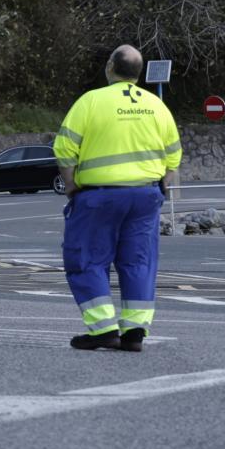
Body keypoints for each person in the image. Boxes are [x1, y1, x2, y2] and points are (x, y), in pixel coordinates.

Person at [52, 44, 182, 353]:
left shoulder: (91, 101)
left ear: (111, 66)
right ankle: (134, 331)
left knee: (87, 260)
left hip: (99, 197)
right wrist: (160, 187)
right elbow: (174, 156)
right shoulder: (156, 105)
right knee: (138, 261)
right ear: (138, 73)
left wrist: (71, 185)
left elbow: (64, 149)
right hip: (145, 196)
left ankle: (103, 329)